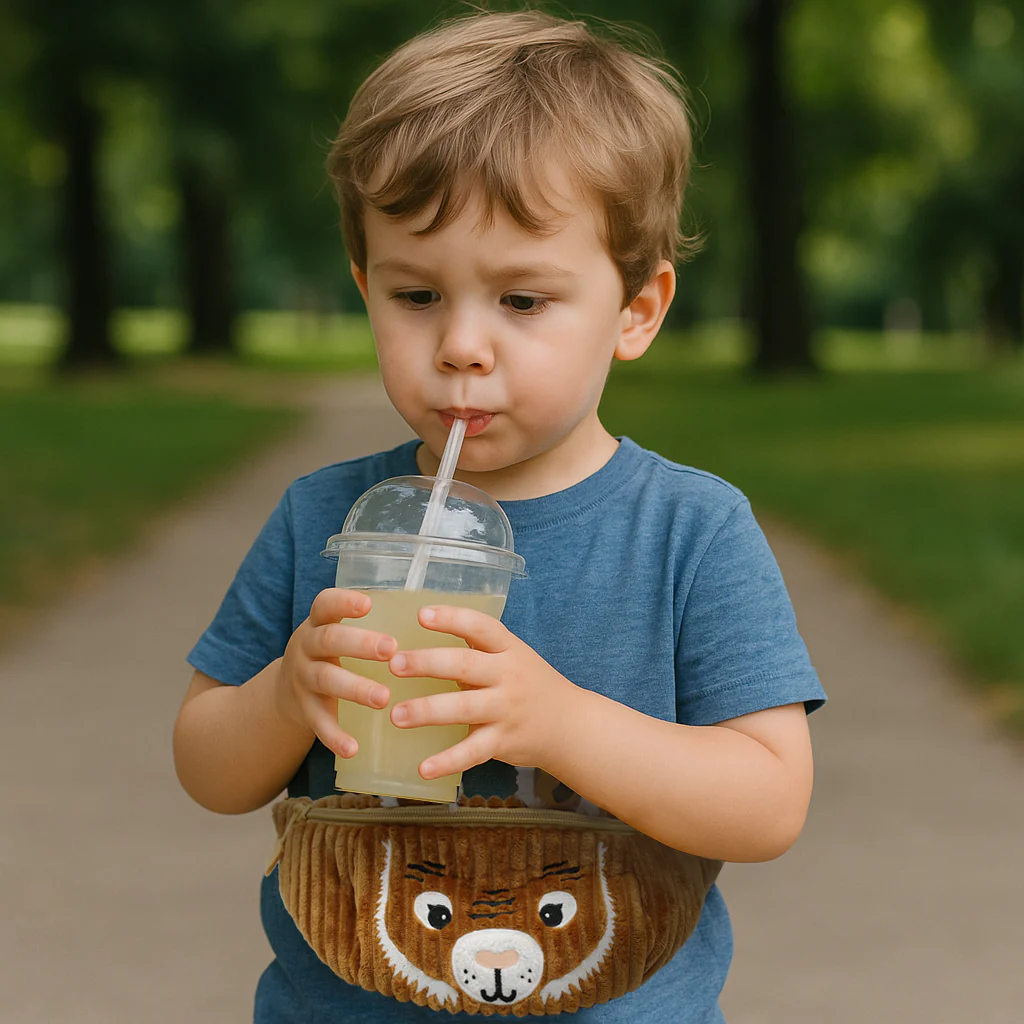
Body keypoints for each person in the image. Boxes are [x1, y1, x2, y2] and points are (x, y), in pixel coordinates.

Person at [173, 9, 826, 1023]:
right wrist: (283, 694)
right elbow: (206, 765)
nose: (462, 346)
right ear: (364, 287)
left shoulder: (690, 530)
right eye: (417, 295)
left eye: (522, 301)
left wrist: (556, 722)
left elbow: (767, 800)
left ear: (636, 310)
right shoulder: (323, 517)